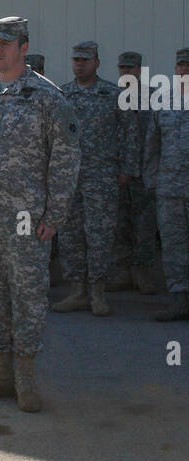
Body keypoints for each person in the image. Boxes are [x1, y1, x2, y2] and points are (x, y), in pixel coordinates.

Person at [0, 18, 80, 411]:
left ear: (24, 48)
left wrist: (55, 214)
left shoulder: (47, 98)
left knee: (26, 293)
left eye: (5, 43)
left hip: (26, 217)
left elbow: (65, 157)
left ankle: (25, 377)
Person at [54, 42, 140, 316]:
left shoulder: (113, 94)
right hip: (69, 176)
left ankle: (98, 292)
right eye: (76, 59)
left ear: (97, 63)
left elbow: (131, 133)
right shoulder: (62, 95)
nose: (79, 64)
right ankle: (77, 291)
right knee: (70, 236)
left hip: (102, 177)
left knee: (100, 235)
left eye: (85, 60)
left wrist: (127, 169)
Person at [143, 48, 189, 321]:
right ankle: (179, 299)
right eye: (181, 66)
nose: (184, 70)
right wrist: (152, 181)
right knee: (173, 245)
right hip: (170, 189)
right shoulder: (164, 101)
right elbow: (152, 145)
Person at [108, 50, 157, 294]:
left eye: (131, 68)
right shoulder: (111, 96)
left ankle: (143, 272)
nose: (126, 72)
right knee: (119, 225)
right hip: (118, 173)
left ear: (139, 69)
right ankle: (122, 271)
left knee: (145, 225)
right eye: (122, 68)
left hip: (144, 173)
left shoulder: (154, 97)